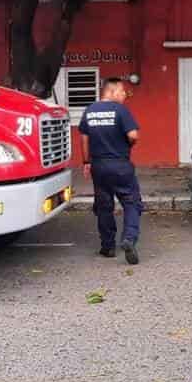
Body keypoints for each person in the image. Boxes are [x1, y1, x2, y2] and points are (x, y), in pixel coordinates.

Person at [78, 77, 143, 265]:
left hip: (98, 165)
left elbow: (84, 138)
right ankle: (129, 239)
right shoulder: (120, 110)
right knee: (131, 202)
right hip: (120, 164)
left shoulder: (89, 111)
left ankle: (107, 247)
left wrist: (86, 162)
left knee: (104, 206)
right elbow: (133, 135)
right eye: (122, 92)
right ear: (112, 91)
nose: (124, 96)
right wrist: (129, 142)